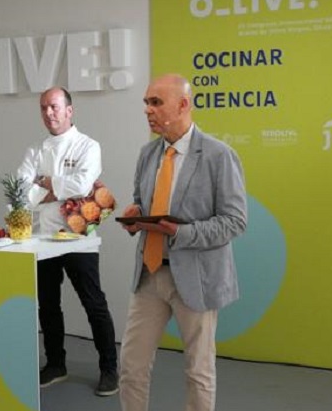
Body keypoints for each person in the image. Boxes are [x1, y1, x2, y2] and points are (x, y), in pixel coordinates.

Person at [118, 74, 247, 411]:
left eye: (156, 102)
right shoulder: (148, 154)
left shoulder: (219, 156)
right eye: (146, 102)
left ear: (183, 105)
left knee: (198, 372)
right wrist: (136, 216)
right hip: (149, 275)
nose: (147, 110)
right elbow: (143, 203)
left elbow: (235, 221)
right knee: (131, 366)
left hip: (197, 278)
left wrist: (180, 232)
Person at [17, 87, 119, 396]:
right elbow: (21, 192)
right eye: (43, 108)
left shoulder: (88, 145)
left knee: (94, 303)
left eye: (54, 106)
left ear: (69, 110)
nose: (48, 113)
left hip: (78, 239)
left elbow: (84, 184)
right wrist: (56, 190)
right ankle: (55, 364)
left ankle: (110, 369)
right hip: (43, 239)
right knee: (48, 304)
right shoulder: (35, 150)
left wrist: (45, 184)